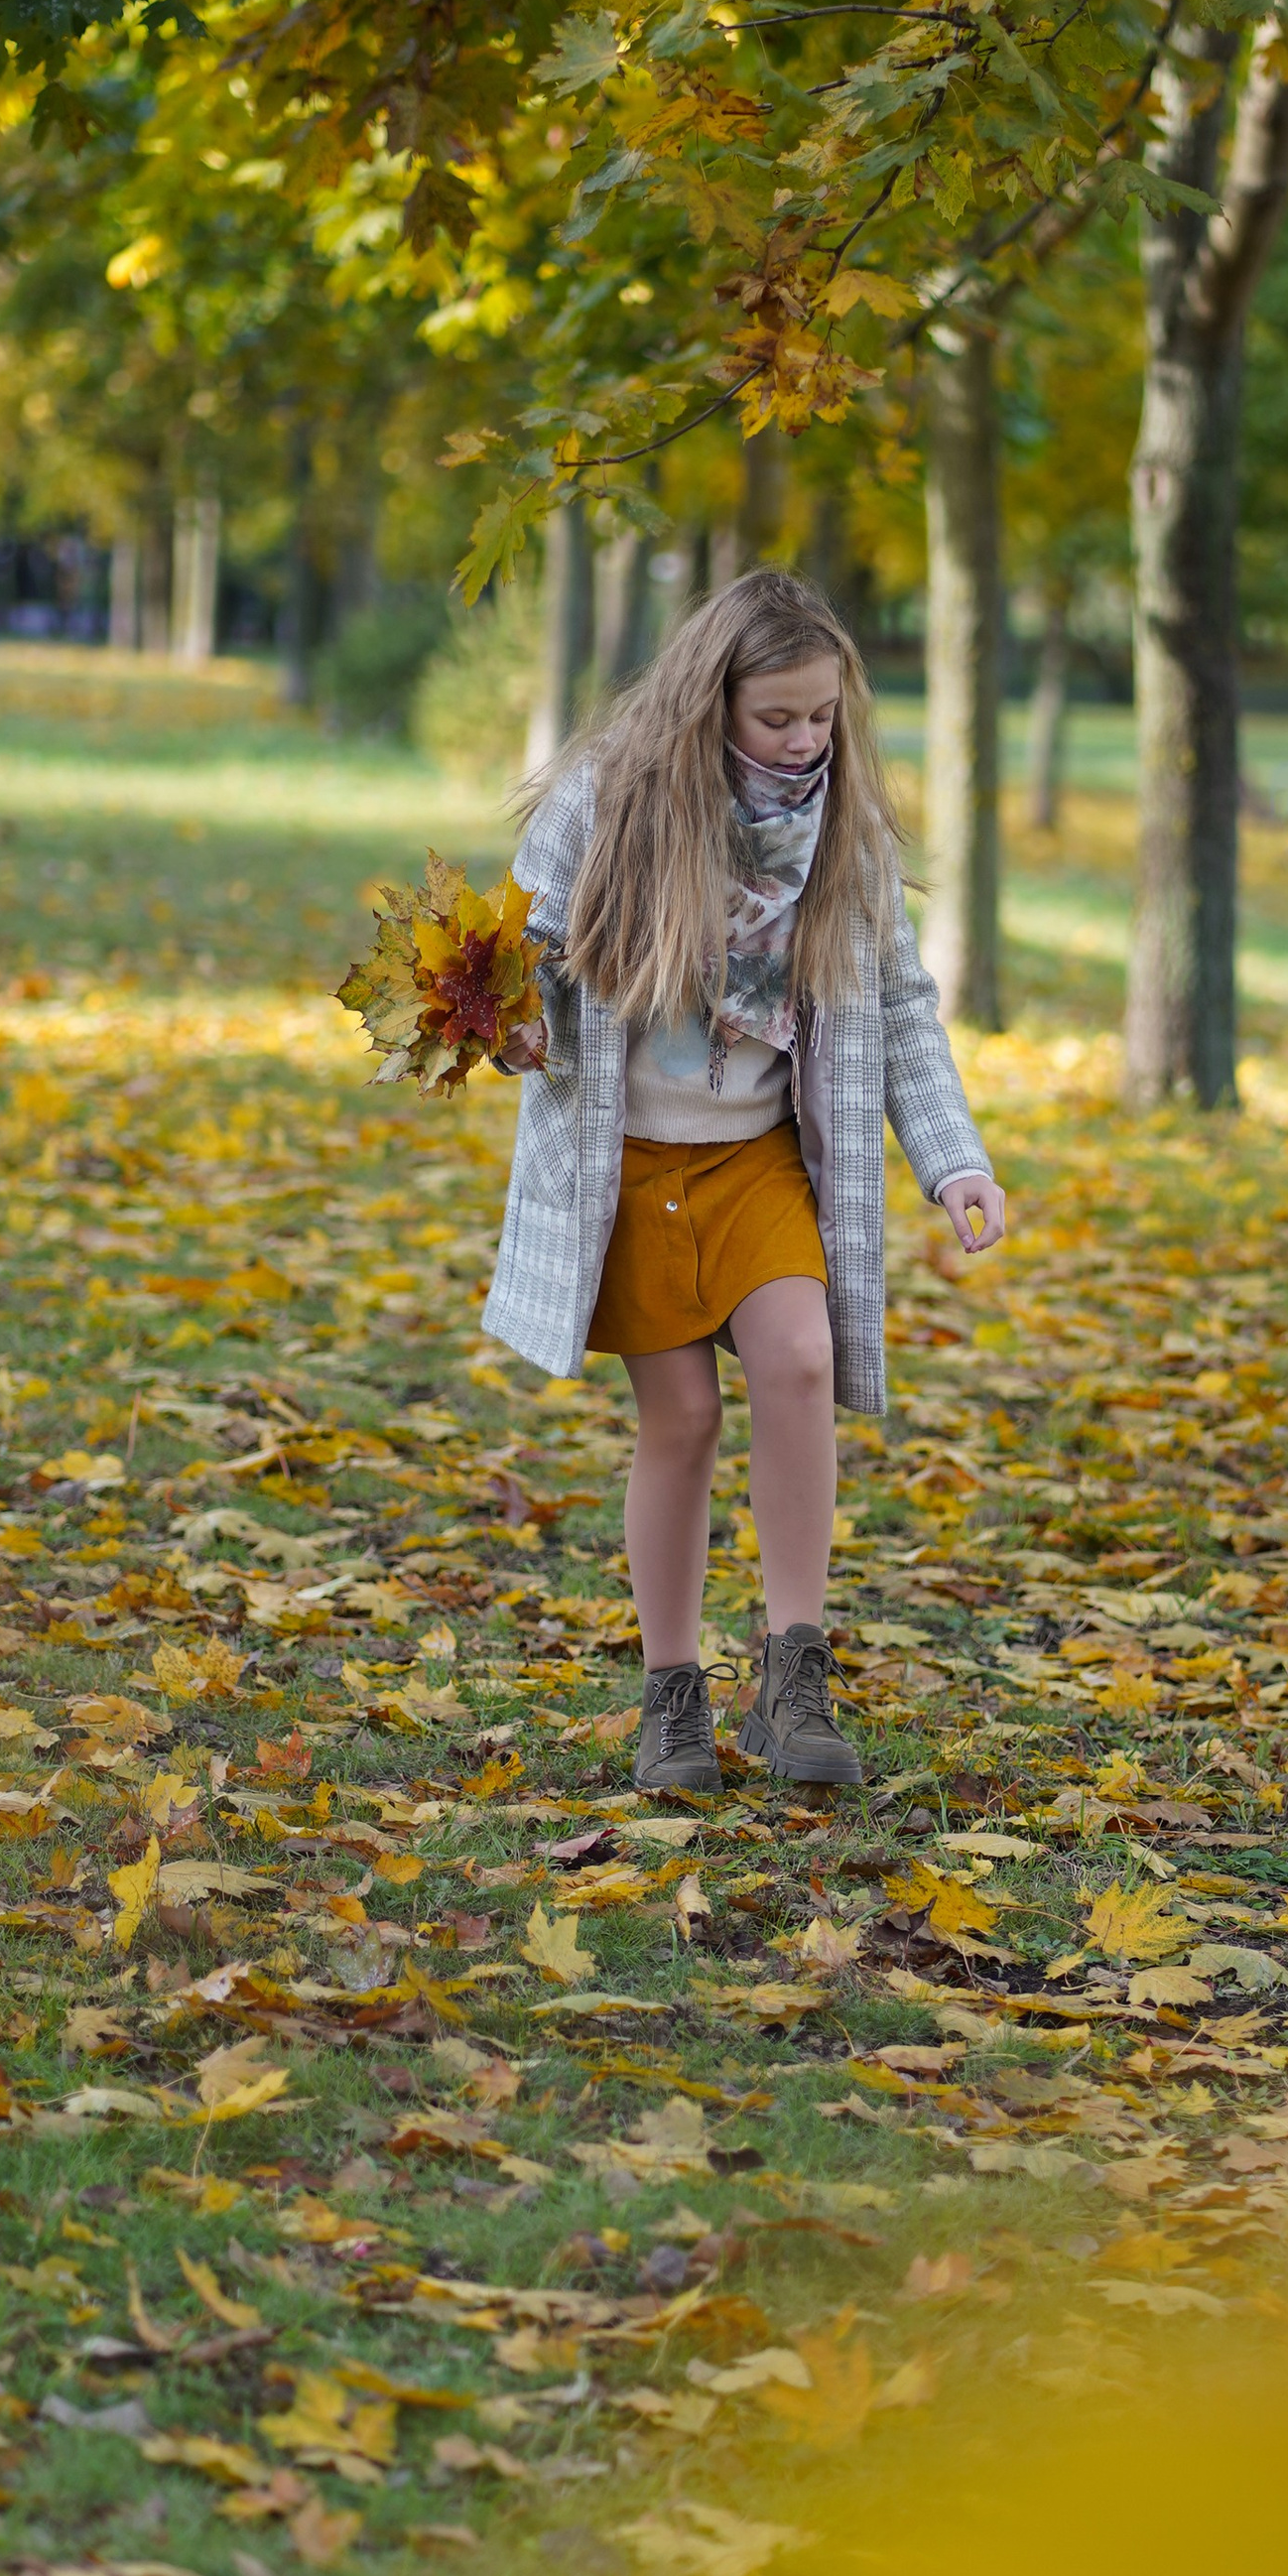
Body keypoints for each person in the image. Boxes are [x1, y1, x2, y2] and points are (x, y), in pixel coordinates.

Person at [481, 571, 1008, 1795]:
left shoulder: (843, 834)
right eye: (777, 717)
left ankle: (793, 1675)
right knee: (680, 1419)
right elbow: (522, 956)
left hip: (759, 1158)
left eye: (822, 715)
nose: (804, 740)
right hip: (629, 1163)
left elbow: (900, 1008)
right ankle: (672, 1694)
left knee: (800, 1361)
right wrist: (510, 1026)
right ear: (709, 700)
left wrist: (955, 1161)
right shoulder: (609, 800)